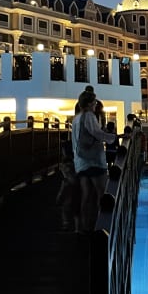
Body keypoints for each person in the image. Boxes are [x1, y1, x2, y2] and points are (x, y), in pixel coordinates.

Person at [72, 89, 118, 233]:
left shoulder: (76, 119)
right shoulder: (89, 116)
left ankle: (84, 228)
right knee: (102, 193)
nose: (96, 104)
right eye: (94, 102)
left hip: (80, 161)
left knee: (85, 196)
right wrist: (114, 137)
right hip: (93, 160)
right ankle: (103, 226)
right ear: (89, 104)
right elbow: (97, 134)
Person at [55, 134, 80, 230]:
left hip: (68, 184)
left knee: (65, 206)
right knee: (76, 209)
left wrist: (59, 196)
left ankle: (65, 223)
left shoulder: (64, 165)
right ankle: (77, 228)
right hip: (76, 184)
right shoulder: (75, 163)